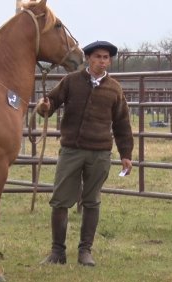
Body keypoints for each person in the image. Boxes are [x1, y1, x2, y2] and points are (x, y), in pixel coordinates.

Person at [37, 40, 134, 266]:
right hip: (71, 150)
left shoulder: (114, 89)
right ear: (89, 58)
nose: (102, 61)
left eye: (106, 58)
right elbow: (50, 103)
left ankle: (85, 251)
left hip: (99, 153)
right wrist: (44, 106)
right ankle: (57, 252)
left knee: (91, 201)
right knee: (60, 201)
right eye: (98, 56)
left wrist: (125, 153)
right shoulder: (70, 81)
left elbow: (122, 123)